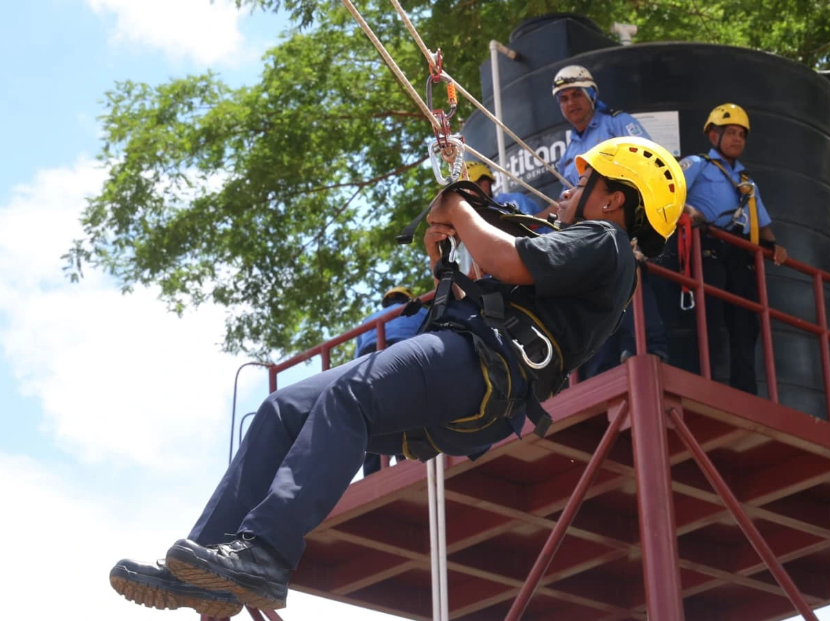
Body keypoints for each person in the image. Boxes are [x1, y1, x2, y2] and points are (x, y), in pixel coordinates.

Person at [108, 137, 685, 616]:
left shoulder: (605, 244)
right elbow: (499, 271)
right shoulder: (581, 246)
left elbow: (511, 262)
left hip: (485, 368)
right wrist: (449, 254)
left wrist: (459, 208)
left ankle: (263, 553)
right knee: (284, 410)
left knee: (351, 395)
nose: (566, 189)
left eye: (584, 181)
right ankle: (204, 564)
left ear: (613, 199)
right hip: (469, 360)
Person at [551, 64, 667, 376]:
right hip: (590, 234)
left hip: (622, 222)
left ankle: (647, 349)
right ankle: (600, 368)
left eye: (576, 94)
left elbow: (650, 162)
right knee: (595, 296)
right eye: (563, 98)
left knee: (632, 283)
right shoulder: (569, 153)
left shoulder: (618, 124)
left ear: (591, 95)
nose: (570, 103)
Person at [677, 103, 787, 395]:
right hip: (709, 249)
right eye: (731, 133)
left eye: (741, 134)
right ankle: (704, 386)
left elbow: (762, 224)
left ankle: (746, 392)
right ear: (714, 137)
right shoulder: (697, 164)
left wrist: (774, 245)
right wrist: (690, 211)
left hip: (740, 256)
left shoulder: (747, 182)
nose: (738, 138)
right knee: (707, 317)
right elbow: (669, 191)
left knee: (746, 325)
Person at [355, 285, 427, 475]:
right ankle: (413, 465)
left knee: (372, 421)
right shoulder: (420, 311)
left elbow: (356, 360)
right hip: (404, 361)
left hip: (368, 365)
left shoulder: (368, 321)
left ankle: (372, 477)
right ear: (409, 299)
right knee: (410, 413)